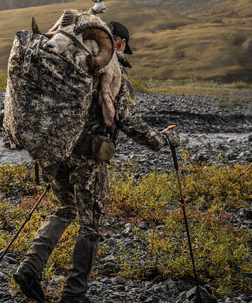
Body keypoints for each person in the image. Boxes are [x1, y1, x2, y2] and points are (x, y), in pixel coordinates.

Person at [13, 20, 180, 303]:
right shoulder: (111, 71)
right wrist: (161, 140)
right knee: (90, 225)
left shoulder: (69, 64)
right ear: (120, 44)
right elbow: (125, 118)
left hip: (54, 151)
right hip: (87, 158)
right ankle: (74, 294)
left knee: (64, 209)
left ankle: (29, 268)